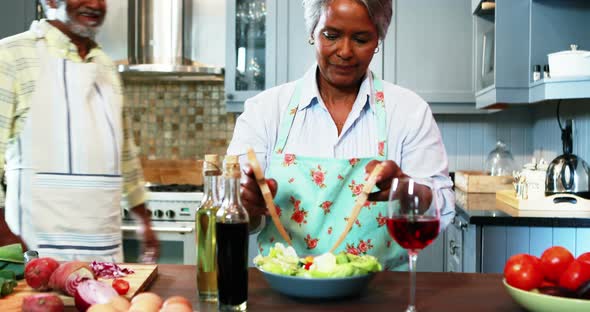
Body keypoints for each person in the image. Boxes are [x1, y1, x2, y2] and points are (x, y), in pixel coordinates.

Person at [227, 0, 455, 270]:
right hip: (285, 292)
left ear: (378, 40)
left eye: (361, 39)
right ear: (313, 33)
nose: (345, 52)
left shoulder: (409, 112)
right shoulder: (264, 111)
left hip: (382, 292)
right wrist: (248, 208)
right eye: (331, 35)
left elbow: (445, 207)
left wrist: (409, 192)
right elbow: (235, 211)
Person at [0, 0, 159, 262]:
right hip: (35, 253)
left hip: (104, 254)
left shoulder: (106, 67)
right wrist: (5, 236)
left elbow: (125, 152)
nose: (95, 4)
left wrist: (143, 218)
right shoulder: (10, 55)